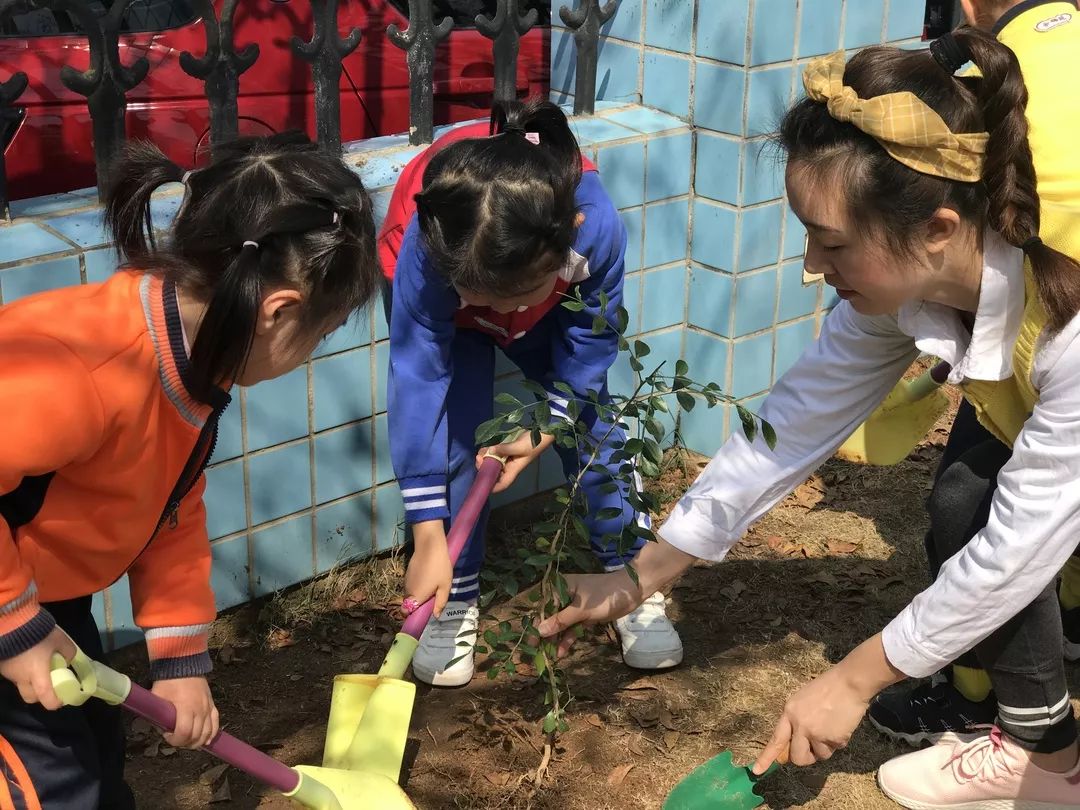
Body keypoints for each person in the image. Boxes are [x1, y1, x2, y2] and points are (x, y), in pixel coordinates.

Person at [538, 26, 1080, 809]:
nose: (812, 267)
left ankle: (1051, 767)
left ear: (938, 230)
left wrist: (854, 679)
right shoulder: (911, 278)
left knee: (1011, 528)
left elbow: (1018, 549)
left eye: (832, 243)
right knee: (965, 498)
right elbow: (791, 425)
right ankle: (1049, 745)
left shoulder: (1069, 331)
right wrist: (642, 574)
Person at [0, 133, 379, 809]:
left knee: (94, 755)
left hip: (41, 594)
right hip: (10, 597)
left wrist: (178, 658)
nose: (315, 350)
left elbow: (168, 506)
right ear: (280, 311)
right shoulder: (85, 367)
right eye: (321, 335)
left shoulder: (191, 363)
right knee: (48, 788)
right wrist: (12, 623)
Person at [377, 98, 683, 687]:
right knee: (461, 437)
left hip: (547, 307)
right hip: (454, 300)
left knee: (592, 424)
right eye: (490, 300)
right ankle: (454, 595)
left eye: (517, 297)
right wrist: (425, 536)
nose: (507, 316)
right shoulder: (426, 247)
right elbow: (418, 380)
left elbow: (589, 349)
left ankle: (632, 575)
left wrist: (548, 425)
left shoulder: (592, 228)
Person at [866, 0, 1080, 750]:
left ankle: (1030, 734)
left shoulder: (967, 90)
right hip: (1036, 348)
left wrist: (856, 674)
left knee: (975, 509)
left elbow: (1016, 542)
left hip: (1052, 349)